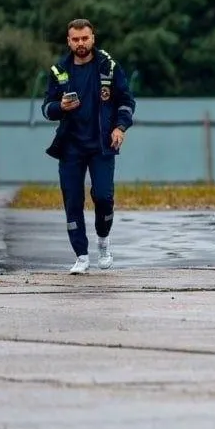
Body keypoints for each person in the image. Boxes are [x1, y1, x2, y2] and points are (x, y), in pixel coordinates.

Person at [41, 18, 136, 274]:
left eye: (85, 38)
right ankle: (81, 255)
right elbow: (46, 108)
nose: (80, 43)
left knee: (104, 197)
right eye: (75, 39)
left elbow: (126, 100)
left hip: (102, 145)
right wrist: (59, 107)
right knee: (73, 201)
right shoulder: (58, 70)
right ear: (68, 41)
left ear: (93, 38)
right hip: (70, 147)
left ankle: (103, 241)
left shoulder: (109, 67)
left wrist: (120, 127)